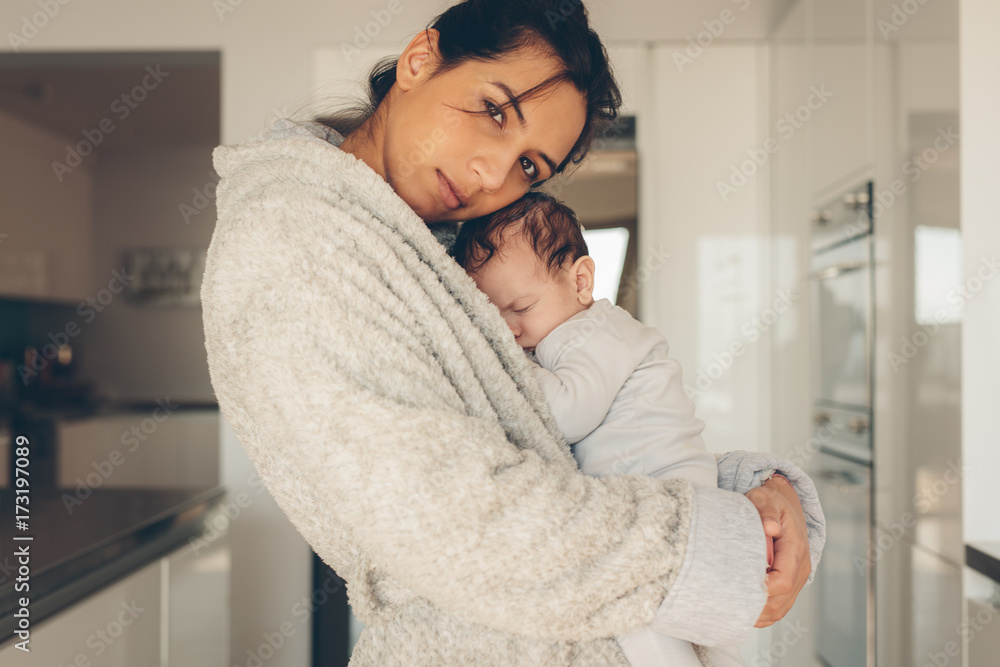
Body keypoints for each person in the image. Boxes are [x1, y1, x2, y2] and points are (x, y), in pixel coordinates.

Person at [200, 1, 826, 664]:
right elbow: (455, 517)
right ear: (419, 60)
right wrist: (721, 539)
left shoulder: (414, 247)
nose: (493, 175)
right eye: (495, 110)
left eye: (529, 167)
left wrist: (751, 500)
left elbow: (554, 453)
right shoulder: (294, 235)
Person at [453, 191, 763, 666]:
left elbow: (568, 413)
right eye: (493, 319)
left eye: (520, 308)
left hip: (669, 497)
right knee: (696, 638)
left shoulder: (596, 333)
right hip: (660, 496)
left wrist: (498, 363)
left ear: (580, 280)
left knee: (644, 625)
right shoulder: (565, 335)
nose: (509, 331)